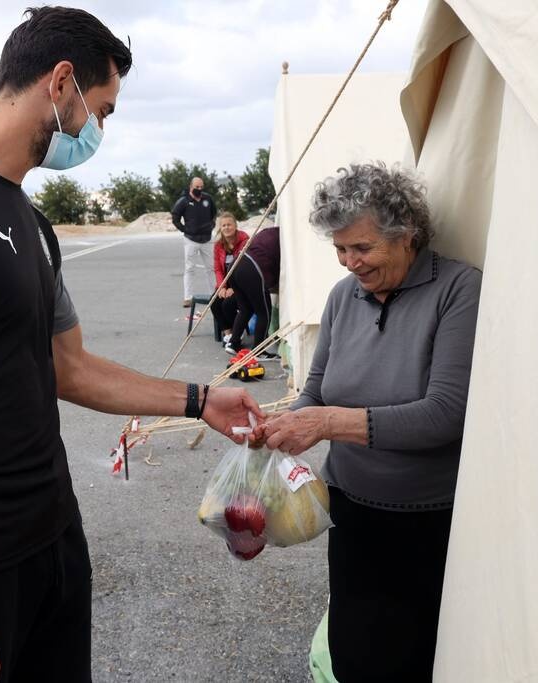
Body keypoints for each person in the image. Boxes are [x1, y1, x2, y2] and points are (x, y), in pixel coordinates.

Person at [0, 8, 261, 682]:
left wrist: (201, 398)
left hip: (50, 535)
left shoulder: (31, 219)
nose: (96, 129)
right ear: (61, 81)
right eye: (100, 109)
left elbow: (68, 367)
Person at [256, 162, 482, 681]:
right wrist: (277, 430)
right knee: (356, 651)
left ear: (407, 236)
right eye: (339, 249)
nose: (349, 262)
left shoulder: (457, 289)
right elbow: (315, 392)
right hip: (351, 512)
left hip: (428, 520)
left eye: (362, 248)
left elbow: (446, 414)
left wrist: (327, 424)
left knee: (414, 656)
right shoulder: (343, 297)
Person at [223, 225, 279, 357]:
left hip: (236, 264)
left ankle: (233, 343)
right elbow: (279, 269)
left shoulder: (269, 231)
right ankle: (259, 351)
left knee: (245, 309)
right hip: (251, 267)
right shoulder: (285, 238)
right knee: (264, 312)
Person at [171, 176, 216, 307]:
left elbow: (214, 213)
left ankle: (214, 295)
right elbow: (175, 217)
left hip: (207, 239)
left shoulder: (208, 198)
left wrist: (211, 225)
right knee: (190, 268)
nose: (199, 189)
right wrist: (185, 229)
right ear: (191, 187)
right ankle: (188, 297)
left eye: (201, 187)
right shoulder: (183, 201)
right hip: (191, 240)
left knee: (211, 268)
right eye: (197, 187)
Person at [210, 212, 248, 345]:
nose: (226, 227)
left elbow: (244, 268)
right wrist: (222, 287)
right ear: (220, 228)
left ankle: (238, 332)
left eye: (229, 224)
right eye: (223, 225)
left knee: (228, 304)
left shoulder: (244, 241)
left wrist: (233, 287)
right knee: (214, 303)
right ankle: (228, 334)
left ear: (235, 226)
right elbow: (218, 269)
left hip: (242, 283)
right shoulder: (218, 245)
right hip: (225, 284)